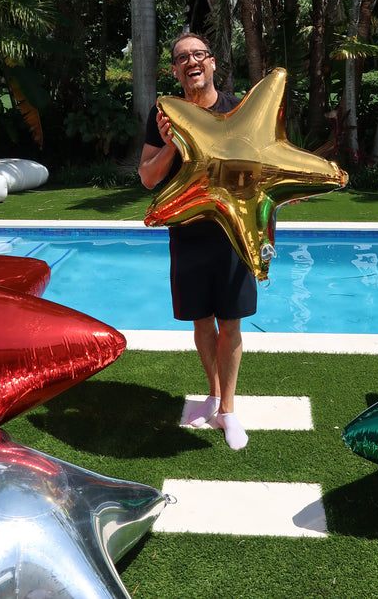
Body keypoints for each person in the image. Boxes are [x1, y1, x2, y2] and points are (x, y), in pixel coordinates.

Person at [138, 32, 257, 450]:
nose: (192, 62)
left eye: (199, 55)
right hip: (187, 236)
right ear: (175, 70)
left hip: (231, 235)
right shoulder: (165, 114)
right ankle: (213, 393)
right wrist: (170, 143)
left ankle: (228, 410)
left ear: (211, 64)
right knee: (201, 321)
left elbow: (257, 170)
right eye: (182, 57)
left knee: (231, 322)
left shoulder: (237, 111)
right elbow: (148, 178)